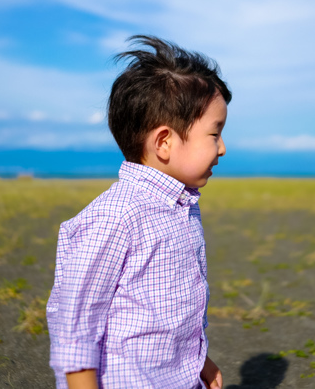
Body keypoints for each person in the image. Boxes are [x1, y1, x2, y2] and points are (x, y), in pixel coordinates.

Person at [47, 35, 230, 389]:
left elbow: (169, 316)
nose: (222, 148)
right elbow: (76, 324)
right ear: (164, 142)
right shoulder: (115, 216)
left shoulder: (182, 206)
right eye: (214, 133)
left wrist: (200, 363)